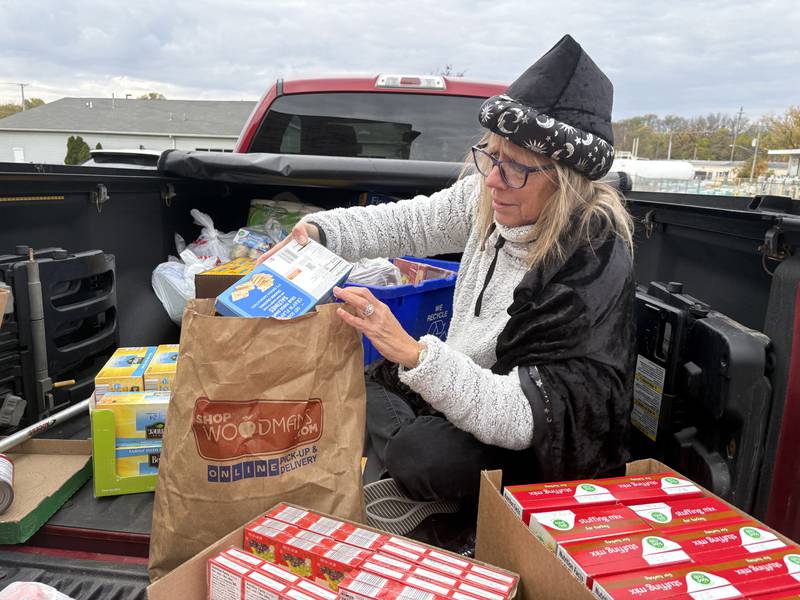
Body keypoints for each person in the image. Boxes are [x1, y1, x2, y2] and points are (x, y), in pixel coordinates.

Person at [259, 34, 636, 548]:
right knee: (355, 375)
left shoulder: (586, 260)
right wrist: (321, 232)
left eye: (518, 167)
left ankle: (460, 499)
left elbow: (529, 419)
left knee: (421, 456)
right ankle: (424, 453)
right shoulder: (490, 197)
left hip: (537, 437)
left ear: (566, 179)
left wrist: (416, 357)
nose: (495, 180)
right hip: (465, 382)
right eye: (491, 155)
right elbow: (409, 223)